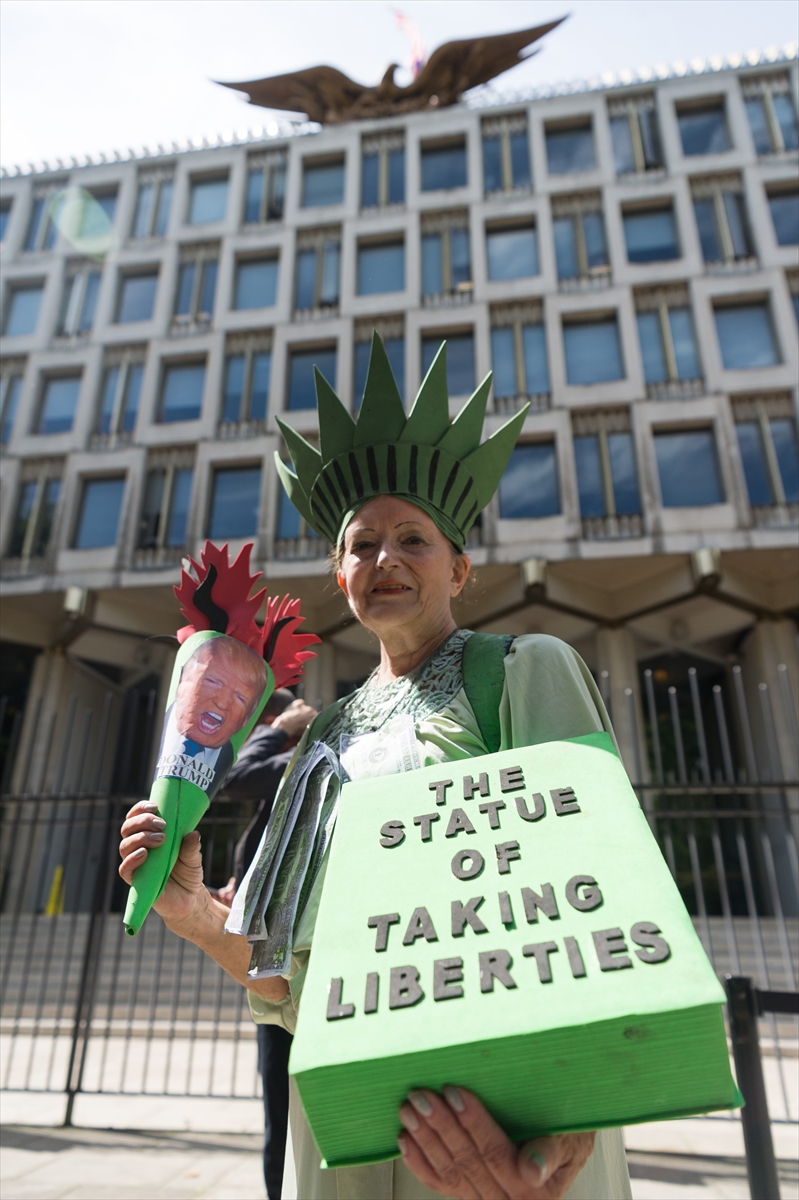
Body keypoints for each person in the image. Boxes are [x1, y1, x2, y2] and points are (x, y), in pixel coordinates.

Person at [120, 333, 632, 1200]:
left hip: (496, 1120)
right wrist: (199, 919)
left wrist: (563, 1128)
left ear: (459, 567)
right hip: (344, 1125)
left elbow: (604, 901)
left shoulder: (523, 670)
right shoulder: (319, 741)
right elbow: (285, 976)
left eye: (412, 541)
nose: (383, 560)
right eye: (361, 546)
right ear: (338, 572)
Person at [214, 688, 318, 1200]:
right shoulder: (287, 772)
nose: (249, 738)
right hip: (270, 949)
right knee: (280, 1107)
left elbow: (232, 778)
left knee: (288, 1104)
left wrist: (283, 729)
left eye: (259, 724)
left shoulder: (308, 763)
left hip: (295, 961)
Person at [155, 636, 267, 798]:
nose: (222, 703)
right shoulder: (147, 732)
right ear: (183, 680)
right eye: (213, 681)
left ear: (246, 719)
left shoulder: (232, 762)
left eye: (240, 698)